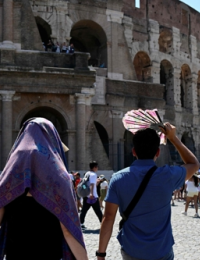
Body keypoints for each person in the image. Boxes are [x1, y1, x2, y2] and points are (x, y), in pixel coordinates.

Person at [97, 123, 199, 260]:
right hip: (161, 250)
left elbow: (108, 217)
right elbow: (194, 164)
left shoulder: (117, 179)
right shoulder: (168, 175)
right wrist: (173, 138)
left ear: (134, 152)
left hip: (132, 249)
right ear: (158, 152)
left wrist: (101, 254)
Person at [0, 118, 88, 260]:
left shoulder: (10, 172)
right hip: (48, 251)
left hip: (15, 251)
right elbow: (67, 229)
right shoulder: (59, 176)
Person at [80, 161, 103, 230]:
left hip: (86, 195)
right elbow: (92, 184)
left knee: (84, 210)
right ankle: (103, 223)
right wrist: (91, 193)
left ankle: (81, 224)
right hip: (92, 196)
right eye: (97, 167)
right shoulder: (93, 174)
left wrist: (97, 183)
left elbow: (86, 183)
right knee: (98, 211)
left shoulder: (87, 173)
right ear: (95, 167)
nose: (97, 168)